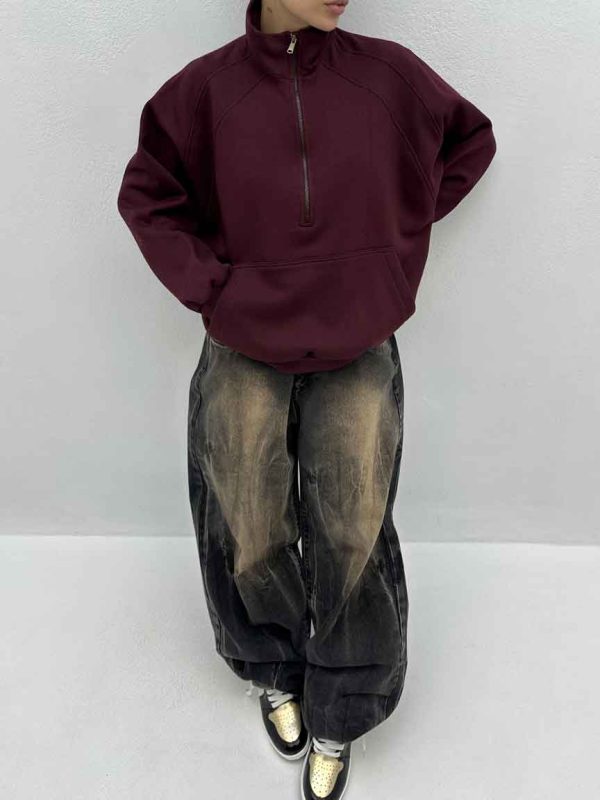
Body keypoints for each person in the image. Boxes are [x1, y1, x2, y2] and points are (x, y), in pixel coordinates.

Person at [117, 0, 496, 797]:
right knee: (247, 517)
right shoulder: (203, 93)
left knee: (352, 526)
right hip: (242, 343)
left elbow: (469, 141)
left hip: (359, 342)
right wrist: (215, 291)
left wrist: (389, 246)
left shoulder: (388, 77)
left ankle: (344, 702)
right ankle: (272, 663)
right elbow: (148, 198)